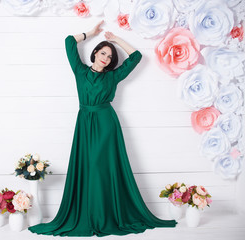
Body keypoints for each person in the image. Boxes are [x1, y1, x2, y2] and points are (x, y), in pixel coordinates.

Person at [29, 20, 177, 237]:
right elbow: (69, 42)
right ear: (95, 53)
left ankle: (102, 216)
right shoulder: (80, 71)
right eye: (103, 53)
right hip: (84, 122)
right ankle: (89, 214)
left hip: (106, 123)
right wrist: (91, 33)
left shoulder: (113, 76)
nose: (106, 58)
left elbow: (136, 57)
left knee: (100, 168)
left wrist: (116, 40)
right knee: (88, 169)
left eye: (109, 57)